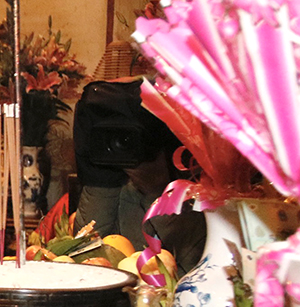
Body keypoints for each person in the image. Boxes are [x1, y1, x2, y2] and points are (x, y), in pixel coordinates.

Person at [73, 78, 206, 273]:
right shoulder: (114, 182)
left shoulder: (195, 193)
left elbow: (186, 268)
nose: (121, 144)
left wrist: (158, 192)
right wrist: (100, 181)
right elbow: (81, 256)